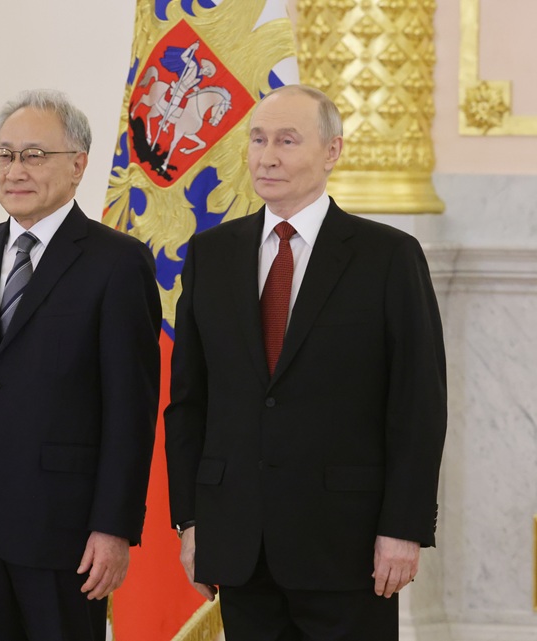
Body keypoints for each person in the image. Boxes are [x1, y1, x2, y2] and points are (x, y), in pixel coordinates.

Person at [164, 84, 447, 640]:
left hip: (347, 545)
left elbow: (417, 404)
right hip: (240, 543)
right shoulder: (212, 254)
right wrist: (193, 521)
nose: (267, 156)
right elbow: (190, 401)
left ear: (332, 151)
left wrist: (403, 529)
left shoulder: (388, 256)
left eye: (288, 141)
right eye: (258, 140)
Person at [0, 89, 161, 641]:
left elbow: (129, 411)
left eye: (35, 155)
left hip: (63, 530)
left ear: (78, 165)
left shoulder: (117, 264)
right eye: (6, 154)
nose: (16, 169)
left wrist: (113, 526)